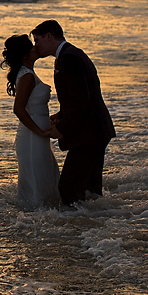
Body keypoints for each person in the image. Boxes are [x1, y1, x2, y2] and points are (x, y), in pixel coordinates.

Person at [31, 20, 115, 205]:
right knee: (90, 190)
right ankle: (100, 224)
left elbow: (81, 100)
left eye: (37, 40)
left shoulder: (68, 57)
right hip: (95, 130)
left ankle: (79, 228)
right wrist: (60, 116)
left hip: (90, 133)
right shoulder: (71, 54)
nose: (36, 46)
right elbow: (81, 97)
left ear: (49, 36)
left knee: (69, 189)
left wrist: (62, 128)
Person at [1, 34, 61, 209]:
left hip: (36, 136)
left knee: (45, 178)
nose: (36, 48)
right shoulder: (26, 76)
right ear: (24, 55)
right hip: (32, 137)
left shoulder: (28, 73)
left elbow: (32, 108)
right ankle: (35, 220)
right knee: (38, 183)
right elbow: (18, 109)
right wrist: (39, 131)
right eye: (32, 47)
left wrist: (49, 120)